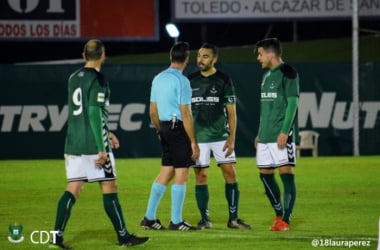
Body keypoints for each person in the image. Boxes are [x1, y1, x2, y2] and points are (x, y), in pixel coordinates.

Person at [50, 39, 149, 249]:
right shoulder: (98, 80)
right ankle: (123, 237)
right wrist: (102, 148)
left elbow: (84, 113)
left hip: (73, 143)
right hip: (93, 145)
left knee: (73, 188)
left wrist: (108, 131)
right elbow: (94, 113)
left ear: (83, 55)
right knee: (110, 185)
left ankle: (56, 238)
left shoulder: (73, 78)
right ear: (103, 55)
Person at [188, 43, 252, 230]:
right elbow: (185, 111)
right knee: (201, 176)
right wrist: (190, 140)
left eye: (205, 56)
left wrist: (231, 138)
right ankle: (204, 219)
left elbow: (232, 113)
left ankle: (233, 219)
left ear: (214, 59)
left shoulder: (224, 79)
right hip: (198, 137)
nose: (200, 59)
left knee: (230, 174)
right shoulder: (189, 80)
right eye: (199, 55)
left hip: (220, 136)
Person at [140, 42, 200, 231]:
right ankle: (176, 221)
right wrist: (193, 142)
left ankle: (149, 218)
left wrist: (159, 130)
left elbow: (152, 111)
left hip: (164, 126)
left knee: (167, 171)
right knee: (182, 172)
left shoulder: (158, 78)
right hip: (177, 127)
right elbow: (186, 113)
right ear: (186, 59)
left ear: (171, 57)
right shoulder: (182, 81)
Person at [253, 38, 299, 231]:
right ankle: (279, 213)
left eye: (260, 53)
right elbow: (266, 108)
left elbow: (292, 104)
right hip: (265, 136)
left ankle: (285, 220)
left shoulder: (288, 72)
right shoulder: (266, 76)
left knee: (286, 175)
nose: (258, 58)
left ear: (270, 54)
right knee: (265, 176)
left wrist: (284, 131)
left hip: (281, 136)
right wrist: (259, 133)